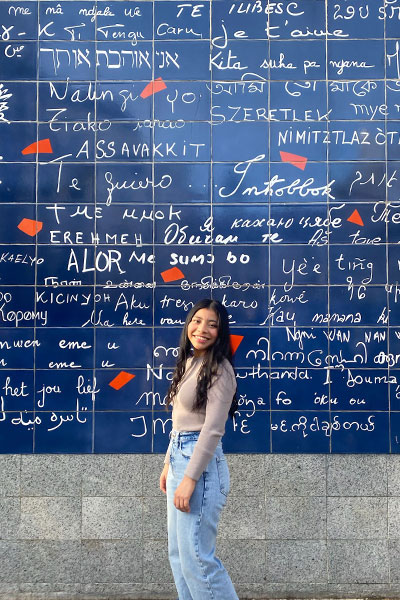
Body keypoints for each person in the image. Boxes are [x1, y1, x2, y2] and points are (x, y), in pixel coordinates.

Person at [159, 298, 239, 600]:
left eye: (212, 324)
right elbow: (181, 422)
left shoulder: (221, 370)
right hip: (180, 457)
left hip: (200, 468)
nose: (202, 329)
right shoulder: (190, 363)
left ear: (220, 332)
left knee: (197, 558)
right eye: (197, 320)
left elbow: (212, 429)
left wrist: (190, 478)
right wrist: (169, 464)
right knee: (179, 554)